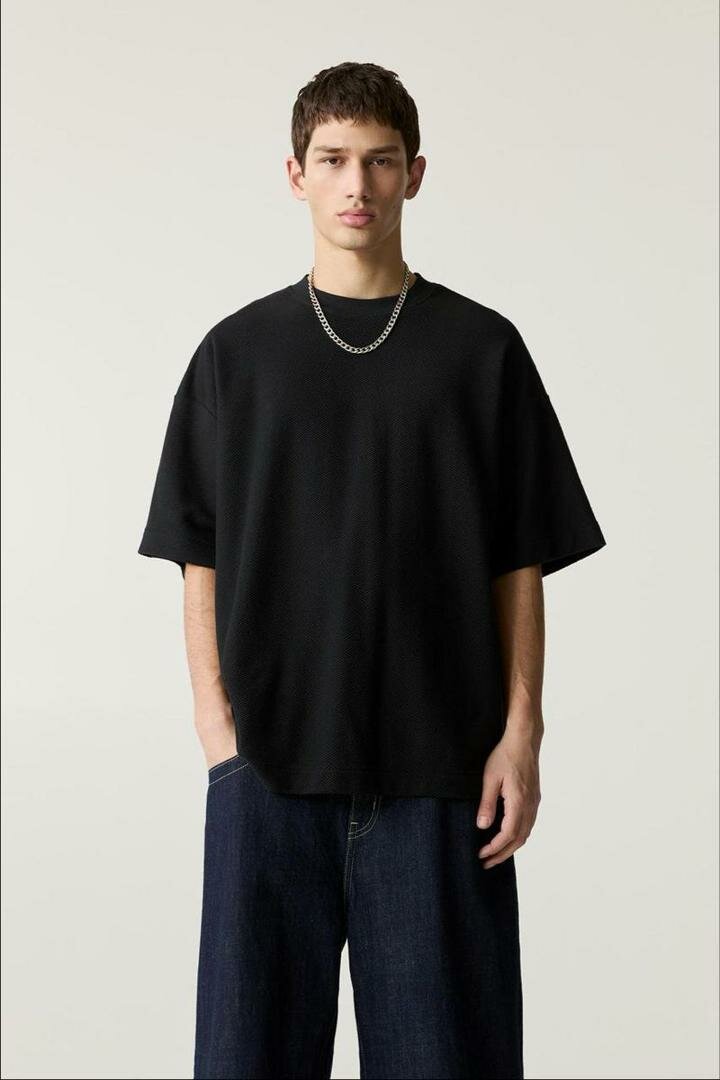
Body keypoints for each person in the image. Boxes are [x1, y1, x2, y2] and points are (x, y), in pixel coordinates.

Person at [138, 61, 607, 1080]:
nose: (358, 185)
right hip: (269, 773)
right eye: (335, 160)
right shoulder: (235, 356)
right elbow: (197, 554)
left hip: (443, 781)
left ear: (416, 174)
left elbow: (519, 560)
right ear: (295, 175)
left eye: (381, 162)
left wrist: (521, 734)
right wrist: (220, 736)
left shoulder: (482, 352)